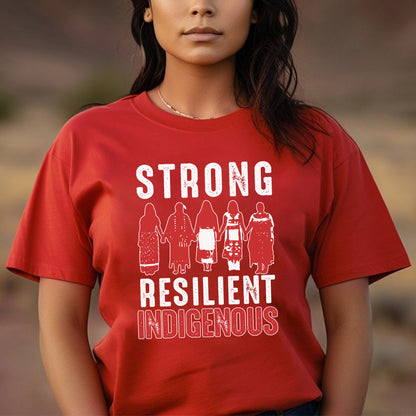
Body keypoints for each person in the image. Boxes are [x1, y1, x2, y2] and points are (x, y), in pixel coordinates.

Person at [6, 0, 410, 415]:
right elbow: (60, 324)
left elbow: (350, 322)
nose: (201, 7)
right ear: (147, 9)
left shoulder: (318, 144)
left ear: (256, 10)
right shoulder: (86, 143)